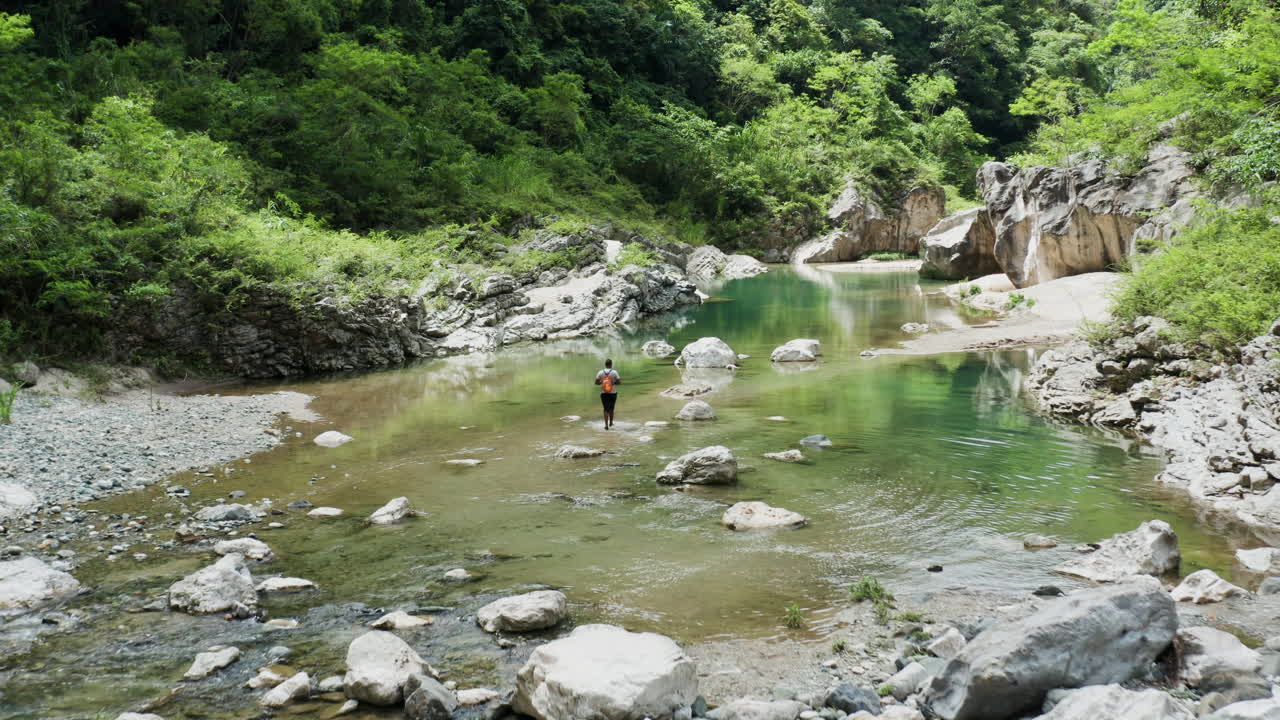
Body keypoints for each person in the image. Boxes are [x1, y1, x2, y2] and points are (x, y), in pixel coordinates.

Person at [594, 358, 621, 429]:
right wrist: (613, 382)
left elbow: (596, 382)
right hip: (613, 393)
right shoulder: (614, 372)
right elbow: (619, 382)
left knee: (605, 409)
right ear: (611, 364)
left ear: (605, 364)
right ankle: (611, 423)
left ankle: (606, 425)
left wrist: (602, 382)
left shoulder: (600, 372)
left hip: (604, 393)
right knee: (611, 409)